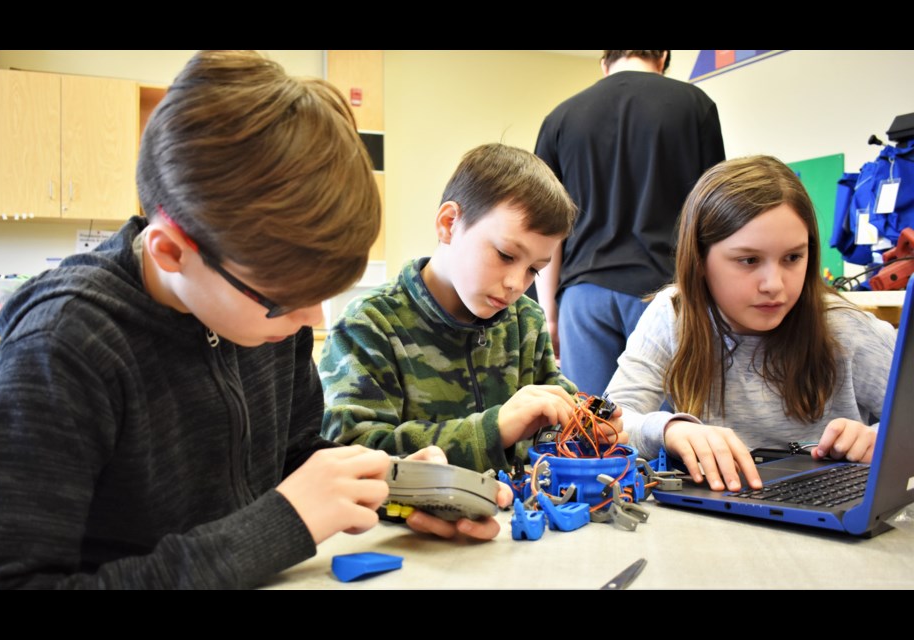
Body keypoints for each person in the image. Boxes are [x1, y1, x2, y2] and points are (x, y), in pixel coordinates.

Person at [0, 51, 506, 590]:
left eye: (320, 294)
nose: (310, 320)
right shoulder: (63, 346)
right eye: (285, 299)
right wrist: (281, 525)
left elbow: (289, 460)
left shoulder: (265, 318)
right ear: (172, 252)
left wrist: (390, 487)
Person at [320, 144, 621, 473]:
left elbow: (553, 419)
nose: (516, 284)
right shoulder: (369, 323)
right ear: (449, 224)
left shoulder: (527, 322)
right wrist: (494, 429)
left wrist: (585, 424)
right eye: (506, 255)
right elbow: (352, 452)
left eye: (534, 269)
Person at [606, 156, 897, 493]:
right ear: (699, 260)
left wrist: (880, 437)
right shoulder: (673, 313)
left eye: (792, 258)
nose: (774, 284)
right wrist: (668, 429)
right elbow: (610, 421)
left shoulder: (845, 328)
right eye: (749, 260)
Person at [534, 50, 725, 396]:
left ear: (604, 61)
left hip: (583, 297)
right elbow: (715, 216)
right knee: (668, 435)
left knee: (589, 433)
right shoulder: (695, 107)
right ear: (664, 56)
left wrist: (548, 314)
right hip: (667, 295)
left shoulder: (560, 118)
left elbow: (543, 228)